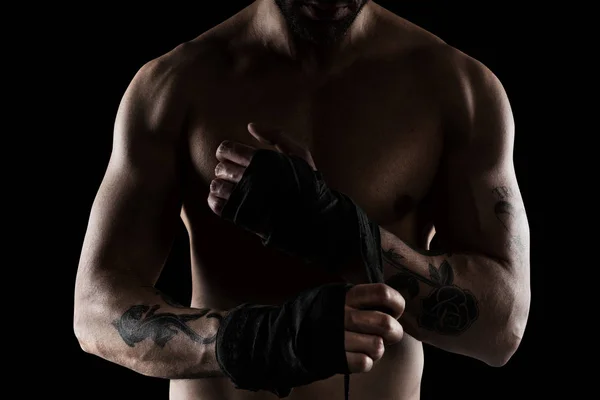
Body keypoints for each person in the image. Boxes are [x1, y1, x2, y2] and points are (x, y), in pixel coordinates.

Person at [73, 1, 531, 399]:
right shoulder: (174, 87)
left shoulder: (456, 89)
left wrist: (337, 233)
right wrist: (259, 343)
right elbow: (94, 312)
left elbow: (502, 329)